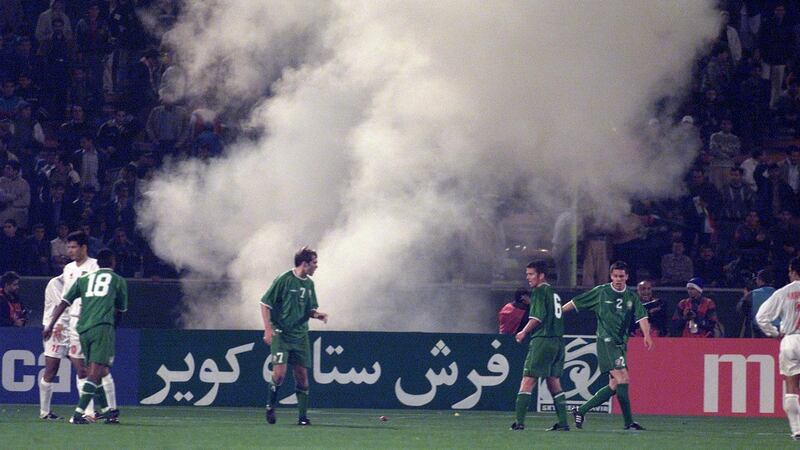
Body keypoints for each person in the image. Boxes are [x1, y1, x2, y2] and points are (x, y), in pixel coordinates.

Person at [561, 261, 653, 430]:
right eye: (615, 276)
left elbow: (642, 317)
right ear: (611, 276)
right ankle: (628, 423)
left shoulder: (631, 297)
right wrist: (558, 312)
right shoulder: (601, 292)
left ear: (627, 277)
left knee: (614, 385)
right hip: (606, 342)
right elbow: (576, 302)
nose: (618, 279)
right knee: (623, 379)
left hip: (620, 344)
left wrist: (647, 334)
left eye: (621, 276)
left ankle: (581, 410)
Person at [43, 248, 127, 425]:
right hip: (101, 327)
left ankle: (107, 411)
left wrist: (50, 325)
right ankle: (79, 414)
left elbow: (64, 302)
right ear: (113, 262)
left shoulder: (84, 279)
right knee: (96, 373)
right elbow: (120, 310)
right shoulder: (118, 280)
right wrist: (112, 328)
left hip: (80, 329)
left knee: (95, 370)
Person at [260, 247, 328, 426]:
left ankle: (303, 418)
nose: (316, 266)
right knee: (280, 374)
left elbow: (309, 309)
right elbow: (265, 303)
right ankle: (270, 406)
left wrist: (317, 315)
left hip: (300, 336)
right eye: (314, 263)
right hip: (281, 334)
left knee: (302, 377)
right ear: (304, 264)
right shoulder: (284, 279)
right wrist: (267, 329)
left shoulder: (309, 284)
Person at [510, 260, 569, 432]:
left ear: (541, 275)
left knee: (528, 380)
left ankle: (519, 423)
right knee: (554, 382)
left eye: (531, 274)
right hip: (558, 342)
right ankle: (563, 423)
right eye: (527, 274)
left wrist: (523, 332)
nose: (528, 278)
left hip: (543, 340)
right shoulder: (554, 292)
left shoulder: (539, 291)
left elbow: (537, 316)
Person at [755, 257, 800, 441]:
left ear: (792, 271)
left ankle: (797, 430)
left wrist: (774, 333)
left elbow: (761, 317)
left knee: (791, 387)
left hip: (790, 340)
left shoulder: (783, 292)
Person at [38, 275, 69, 419]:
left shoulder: (80, 282)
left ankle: (88, 411)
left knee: (84, 368)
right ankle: (45, 412)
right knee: (51, 370)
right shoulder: (56, 283)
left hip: (73, 329)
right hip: (57, 329)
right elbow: (62, 305)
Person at [738, 269, 776, 338]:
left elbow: (741, 309)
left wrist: (745, 296)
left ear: (759, 280)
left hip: (758, 329)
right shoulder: (778, 293)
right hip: (776, 329)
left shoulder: (752, 294)